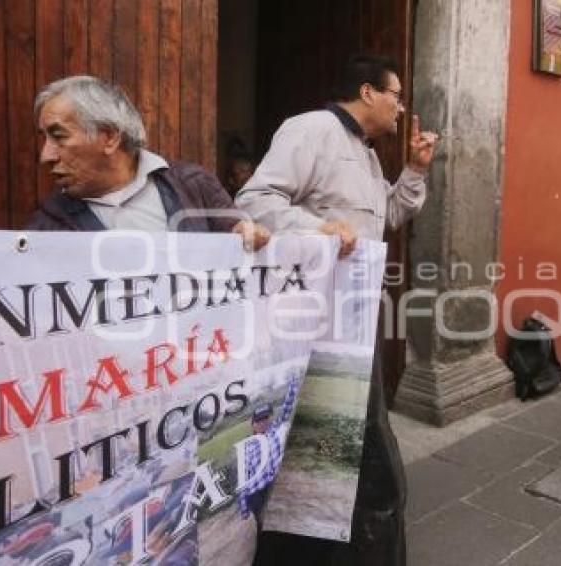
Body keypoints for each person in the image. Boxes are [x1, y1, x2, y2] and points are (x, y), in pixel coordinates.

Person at [235, 54, 438, 566]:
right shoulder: (312, 129)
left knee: (348, 441)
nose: (401, 107)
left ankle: (334, 538)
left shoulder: (367, 155)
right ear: (369, 92)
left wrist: (414, 170)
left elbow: (389, 214)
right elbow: (254, 200)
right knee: (344, 441)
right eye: (396, 95)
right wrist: (313, 228)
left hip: (354, 322)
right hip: (310, 326)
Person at [26, 75, 269, 251]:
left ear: (109, 137)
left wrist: (246, 233)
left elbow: (238, 234)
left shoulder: (193, 185)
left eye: (59, 137)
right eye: (45, 139)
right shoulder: (47, 226)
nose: (45, 156)